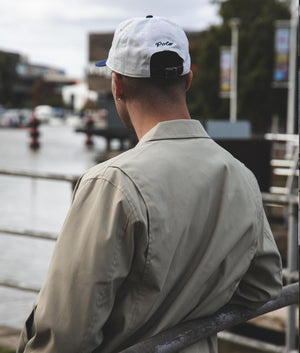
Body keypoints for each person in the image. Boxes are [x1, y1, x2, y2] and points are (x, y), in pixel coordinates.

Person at [17, 16, 282, 353]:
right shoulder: (240, 175)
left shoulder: (112, 184)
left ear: (117, 84)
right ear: (188, 79)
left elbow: (65, 337)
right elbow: (264, 286)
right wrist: (191, 301)